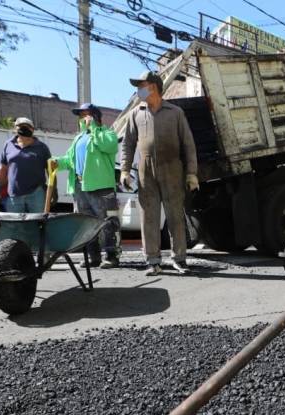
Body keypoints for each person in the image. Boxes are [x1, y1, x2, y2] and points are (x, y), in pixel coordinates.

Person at [120, 71, 198, 276]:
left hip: (172, 167)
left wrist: (191, 173)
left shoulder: (175, 112)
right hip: (145, 170)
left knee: (175, 216)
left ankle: (179, 259)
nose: (138, 90)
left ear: (153, 86)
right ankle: (153, 260)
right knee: (149, 217)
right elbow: (127, 144)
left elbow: (188, 144)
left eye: (141, 85)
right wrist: (125, 170)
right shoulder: (136, 113)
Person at [50, 103, 121, 268]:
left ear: (95, 116)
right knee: (86, 223)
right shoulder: (78, 138)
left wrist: (95, 128)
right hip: (80, 186)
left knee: (108, 222)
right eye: (80, 115)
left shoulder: (107, 133)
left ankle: (111, 256)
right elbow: (70, 160)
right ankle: (93, 257)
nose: (83, 118)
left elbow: (110, 146)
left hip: (101, 186)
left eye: (86, 114)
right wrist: (57, 162)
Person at [0, 117, 51, 213]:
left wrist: (53, 190)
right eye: (20, 126)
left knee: (38, 223)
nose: (24, 129)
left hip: (36, 193)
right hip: (14, 194)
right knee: (15, 225)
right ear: (15, 129)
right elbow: (3, 167)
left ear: (32, 130)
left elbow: (50, 170)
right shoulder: (8, 145)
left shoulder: (42, 147)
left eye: (27, 127)